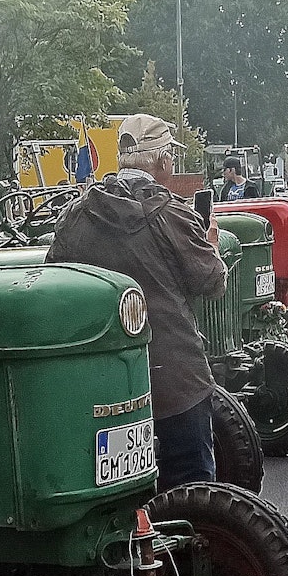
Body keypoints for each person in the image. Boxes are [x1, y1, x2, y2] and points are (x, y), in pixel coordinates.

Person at [48, 113, 227, 489]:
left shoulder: (77, 216)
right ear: (162, 161)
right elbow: (212, 282)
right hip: (174, 381)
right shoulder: (174, 215)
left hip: (102, 385)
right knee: (193, 495)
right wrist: (210, 246)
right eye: (171, 158)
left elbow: (55, 282)